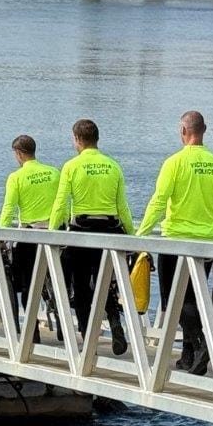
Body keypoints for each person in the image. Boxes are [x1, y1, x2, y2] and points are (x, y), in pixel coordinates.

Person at [136, 110, 213, 376]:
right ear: (204, 130)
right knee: (195, 298)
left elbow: (159, 202)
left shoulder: (174, 163)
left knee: (175, 300)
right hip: (208, 243)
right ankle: (188, 357)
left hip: (176, 242)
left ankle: (201, 344)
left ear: (183, 131)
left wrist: (141, 236)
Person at [49, 119, 133, 355]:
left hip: (82, 232)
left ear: (77, 139)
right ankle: (116, 325)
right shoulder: (113, 166)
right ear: (98, 139)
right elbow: (122, 207)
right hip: (109, 230)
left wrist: (54, 231)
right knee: (106, 282)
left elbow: (60, 204)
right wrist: (134, 237)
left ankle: (88, 338)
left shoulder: (71, 166)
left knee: (82, 287)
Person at [0, 135, 60, 342]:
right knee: (57, 282)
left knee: (26, 285)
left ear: (18, 153)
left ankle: (32, 330)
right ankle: (62, 325)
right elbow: (63, 203)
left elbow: (8, 209)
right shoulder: (53, 172)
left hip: (29, 236)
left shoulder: (16, 177)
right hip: (52, 236)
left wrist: (1, 234)